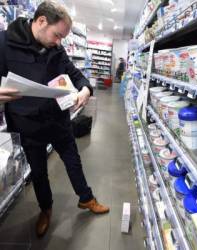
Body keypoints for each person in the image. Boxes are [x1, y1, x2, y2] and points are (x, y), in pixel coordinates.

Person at [0, 1, 109, 238]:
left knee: (73, 160)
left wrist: (85, 90)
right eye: (57, 35)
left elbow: (76, 74)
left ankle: (86, 198)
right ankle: (46, 209)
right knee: (39, 172)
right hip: (27, 124)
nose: (59, 41)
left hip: (57, 121)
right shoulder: (4, 43)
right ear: (41, 22)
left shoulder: (56, 49)